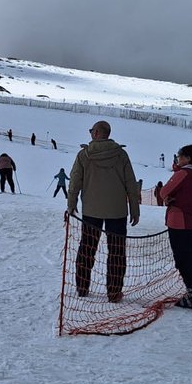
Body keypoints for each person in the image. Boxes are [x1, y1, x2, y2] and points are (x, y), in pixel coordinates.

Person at [65, 120, 140, 302]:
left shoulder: (84, 155)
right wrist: (134, 209)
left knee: (87, 248)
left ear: (97, 133)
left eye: (92, 130)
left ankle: (82, 288)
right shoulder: (121, 155)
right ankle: (114, 292)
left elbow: (75, 181)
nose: (91, 133)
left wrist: (71, 203)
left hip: (91, 210)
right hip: (117, 211)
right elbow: (131, 182)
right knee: (116, 251)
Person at [161, 145, 192, 311]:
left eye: (180, 156)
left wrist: (168, 196)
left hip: (178, 220)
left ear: (188, 158)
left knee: (182, 260)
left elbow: (164, 191)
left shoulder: (184, 173)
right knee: (191, 258)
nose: (178, 159)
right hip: (191, 221)